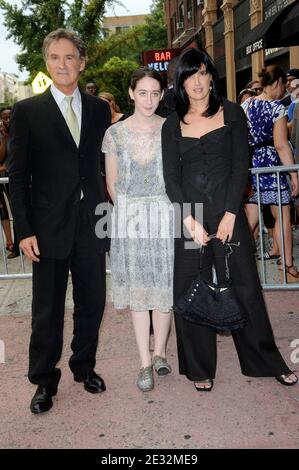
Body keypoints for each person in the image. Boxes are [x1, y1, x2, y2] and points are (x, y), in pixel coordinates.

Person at [162, 48, 298, 391]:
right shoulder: (171, 123)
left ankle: (265, 360)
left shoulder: (234, 113)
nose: (196, 81)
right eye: (188, 75)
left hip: (230, 214)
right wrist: (189, 220)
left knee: (246, 286)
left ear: (211, 76)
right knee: (190, 288)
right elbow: (171, 179)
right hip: (190, 218)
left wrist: (231, 214)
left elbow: (241, 167)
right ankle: (199, 367)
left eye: (202, 73)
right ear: (180, 82)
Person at [8, 28, 111, 414]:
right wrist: (24, 230)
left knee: (93, 302)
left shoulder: (100, 109)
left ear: (81, 63)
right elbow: (17, 178)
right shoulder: (27, 112)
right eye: (55, 57)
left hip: (92, 221)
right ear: (46, 63)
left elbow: (109, 165)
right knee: (46, 309)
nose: (63, 64)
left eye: (70, 57)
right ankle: (43, 381)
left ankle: (84, 367)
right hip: (46, 227)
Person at [102, 67, 174, 392]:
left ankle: (160, 353)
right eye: (142, 92)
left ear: (162, 95)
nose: (149, 99)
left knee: (164, 287)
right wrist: (131, 217)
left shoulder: (171, 128)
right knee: (138, 293)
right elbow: (112, 184)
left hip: (165, 214)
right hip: (130, 218)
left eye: (155, 93)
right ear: (131, 93)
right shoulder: (114, 134)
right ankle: (144, 362)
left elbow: (177, 176)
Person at [242, 65, 299, 281]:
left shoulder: (246, 105)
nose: (284, 90)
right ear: (276, 83)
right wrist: (293, 174)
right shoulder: (278, 108)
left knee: (249, 220)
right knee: (283, 218)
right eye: (283, 85)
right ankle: (288, 267)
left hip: (251, 166)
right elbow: (281, 145)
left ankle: (235, 264)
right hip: (272, 168)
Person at [0, 107, 19, 259]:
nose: (7, 120)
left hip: (23, 175)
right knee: (16, 209)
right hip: (9, 176)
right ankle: (17, 246)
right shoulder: (4, 135)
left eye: (9, 117)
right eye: (4, 117)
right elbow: (2, 157)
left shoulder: (22, 129)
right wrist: (5, 137)